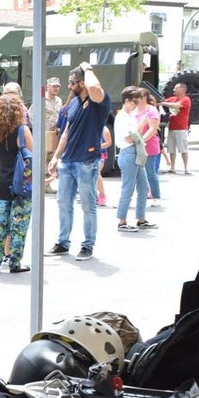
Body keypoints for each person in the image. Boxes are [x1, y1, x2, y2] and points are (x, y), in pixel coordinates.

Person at [47, 61, 110, 261]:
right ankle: (63, 242)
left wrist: (88, 68)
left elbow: (94, 88)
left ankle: (87, 245)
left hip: (86, 161)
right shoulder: (73, 104)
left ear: (82, 82)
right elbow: (66, 132)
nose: (68, 86)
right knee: (64, 203)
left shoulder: (99, 100)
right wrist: (56, 156)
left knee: (88, 205)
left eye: (72, 82)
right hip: (68, 161)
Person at [0, 94, 33, 274]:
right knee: (18, 227)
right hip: (21, 186)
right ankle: (14, 263)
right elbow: (31, 156)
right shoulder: (23, 131)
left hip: (1, 183)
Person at [113, 86, 150, 232]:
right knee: (128, 188)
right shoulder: (122, 117)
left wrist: (138, 134)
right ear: (127, 101)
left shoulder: (129, 116)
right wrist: (138, 136)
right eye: (134, 102)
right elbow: (128, 138)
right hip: (129, 153)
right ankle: (122, 221)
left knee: (143, 186)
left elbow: (134, 135)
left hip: (134, 152)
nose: (136, 105)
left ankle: (141, 219)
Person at [30, 76, 62, 193]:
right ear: (47, 86)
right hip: (42, 134)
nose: (56, 88)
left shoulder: (59, 101)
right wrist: (38, 129)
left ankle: (47, 185)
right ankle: (39, 185)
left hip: (53, 134)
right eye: (54, 86)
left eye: (58, 86)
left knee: (51, 159)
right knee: (41, 159)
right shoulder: (41, 99)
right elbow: (31, 115)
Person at [137, 89, 162, 206]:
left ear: (145, 97)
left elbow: (153, 129)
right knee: (137, 173)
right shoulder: (135, 109)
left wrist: (141, 140)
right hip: (136, 145)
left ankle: (156, 196)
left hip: (149, 145)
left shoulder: (151, 110)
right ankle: (143, 194)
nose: (137, 98)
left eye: (139, 96)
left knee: (150, 172)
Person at [160, 82, 191, 174]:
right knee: (171, 149)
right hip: (171, 127)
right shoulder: (173, 99)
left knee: (183, 149)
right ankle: (172, 168)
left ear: (183, 89)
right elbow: (163, 100)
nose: (174, 90)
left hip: (181, 128)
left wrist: (163, 103)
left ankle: (186, 168)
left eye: (176, 88)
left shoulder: (186, 99)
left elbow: (176, 106)